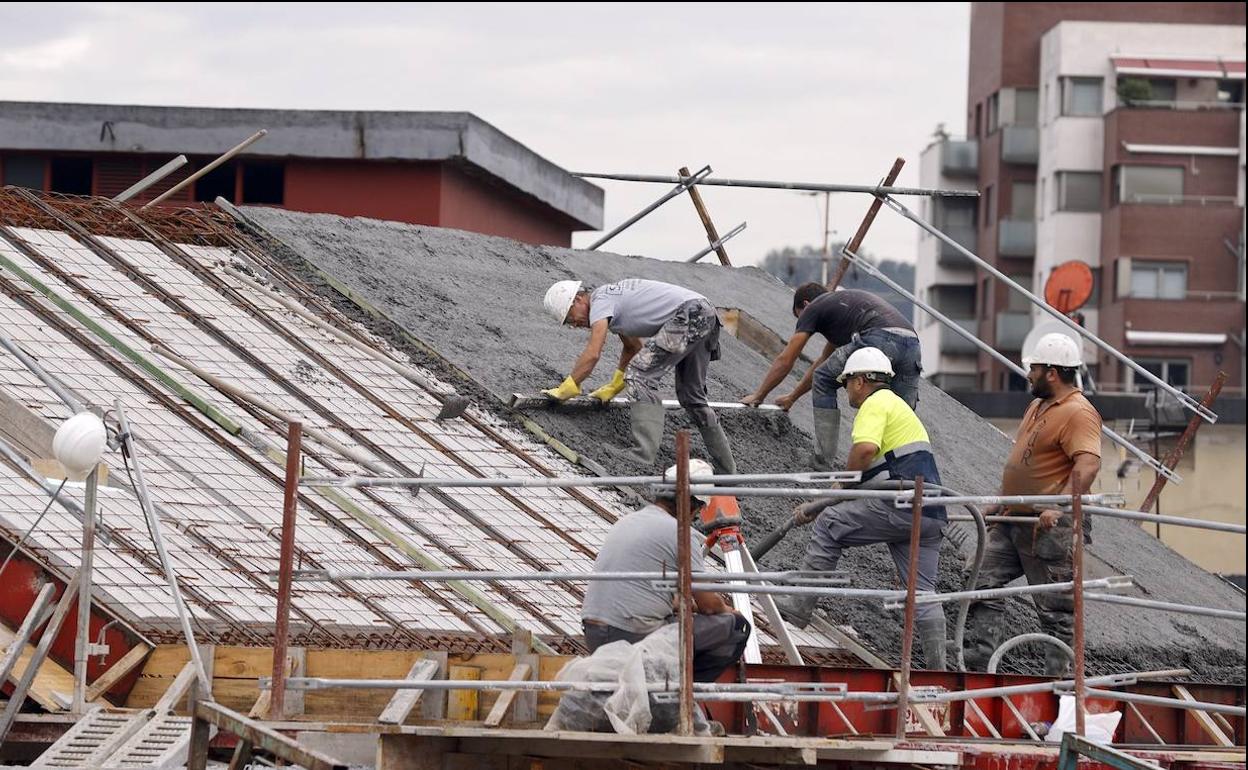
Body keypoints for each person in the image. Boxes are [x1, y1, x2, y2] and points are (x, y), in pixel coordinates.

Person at [776, 347, 948, 670]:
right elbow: (886, 468)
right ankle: (939, 670)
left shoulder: (875, 403)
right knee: (923, 591)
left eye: (846, 383)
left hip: (901, 505)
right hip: (931, 513)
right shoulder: (900, 408)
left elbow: (865, 449)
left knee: (830, 522)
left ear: (860, 381)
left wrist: (840, 487)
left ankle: (797, 608)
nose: (846, 392)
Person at [964, 333, 1102, 677]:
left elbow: (1088, 464)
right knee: (981, 578)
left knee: (1056, 608)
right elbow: (1024, 463)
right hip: (1014, 518)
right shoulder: (1038, 405)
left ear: (1052, 373)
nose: (1029, 375)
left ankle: (1059, 684)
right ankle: (981, 666)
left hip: (1049, 525)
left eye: (1035, 369)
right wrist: (1000, 502)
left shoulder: (1078, 412)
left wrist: (1061, 506)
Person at [580, 460, 752, 682]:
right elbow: (710, 606)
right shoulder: (681, 533)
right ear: (692, 505)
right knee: (738, 627)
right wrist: (729, 610)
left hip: (593, 633)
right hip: (631, 636)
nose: (696, 516)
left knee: (679, 614)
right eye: (698, 510)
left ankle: (659, 685)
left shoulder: (627, 521)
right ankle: (678, 693)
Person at [543, 278, 735, 474]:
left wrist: (570, 385)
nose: (574, 324)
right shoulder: (613, 301)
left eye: (569, 317)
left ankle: (642, 454)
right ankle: (727, 471)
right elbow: (633, 346)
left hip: (689, 313)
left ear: (577, 300)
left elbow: (593, 352)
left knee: (640, 375)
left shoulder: (600, 301)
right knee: (691, 396)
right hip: (705, 313)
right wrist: (615, 384)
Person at [742, 284, 920, 470]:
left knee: (827, 380)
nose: (802, 324)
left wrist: (759, 395)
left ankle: (822, 462)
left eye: (800, 316)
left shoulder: (815, 307)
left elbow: (787, 359)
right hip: (912, 343)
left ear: (806, 304)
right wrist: (792, 398)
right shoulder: (843, 314)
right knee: (900, 408)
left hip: (880, 336)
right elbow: (823, 364)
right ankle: (895, 470)